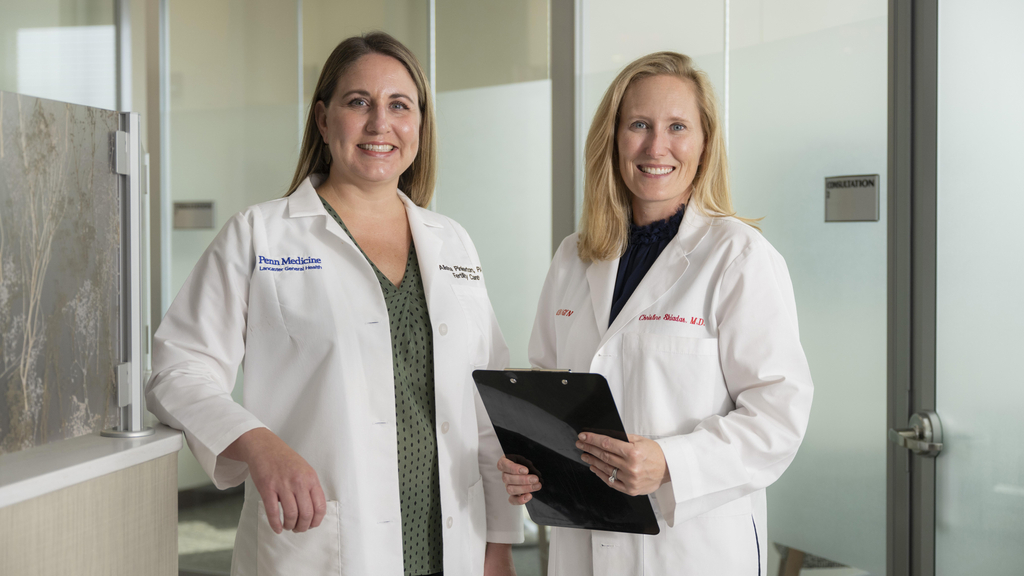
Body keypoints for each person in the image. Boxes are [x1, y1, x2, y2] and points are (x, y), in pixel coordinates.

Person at [147, 32, 521, 576]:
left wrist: (500, 545)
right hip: (323, 547)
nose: (379, 124)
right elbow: (177, 370)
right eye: (358, 102)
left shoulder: (452, 242)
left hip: (452, 543)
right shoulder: (260, 236)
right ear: (323, 120)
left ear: (419, 125)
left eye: (399, 105)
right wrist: (257, 443)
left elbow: (487, 406)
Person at [498, 51, 814, 575]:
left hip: (690, 550)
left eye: (677, 127)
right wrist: (528, 463)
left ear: (704, 143)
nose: (655, 146)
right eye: (639, 125)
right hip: (584, 544)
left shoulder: (738, 256)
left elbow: (779, 417)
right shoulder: (574, 257)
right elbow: (546, 394)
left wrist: (671, 463)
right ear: (613, 138)